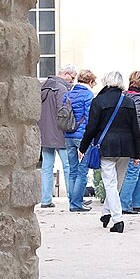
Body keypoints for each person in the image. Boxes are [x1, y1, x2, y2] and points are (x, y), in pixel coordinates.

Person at [77, 70, 140, 232]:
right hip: (126, 147)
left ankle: (118, 220)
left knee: (110, 184)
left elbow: (91, 128)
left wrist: (83, 147)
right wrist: (138, 153)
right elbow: (135, 129)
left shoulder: (99, 101)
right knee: (117, 184)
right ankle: (106, 213)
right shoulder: (128, 102)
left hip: (106, 147)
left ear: (106, 82)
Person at [38, 67, 75, 208]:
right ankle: (73, 199)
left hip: (45, 132)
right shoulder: (61, 88)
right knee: (68, 166)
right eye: (72, 77)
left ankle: (45, 199)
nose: (73, 81)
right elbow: (64, 112)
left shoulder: (43, 86)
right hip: (60, 133)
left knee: (47, 167)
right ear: (65, 74)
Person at [65, 70, 96, 211]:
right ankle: (76, 204)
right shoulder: (88, 95)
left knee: (72, 170)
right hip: (82, 136)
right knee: (82, 171)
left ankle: (72, 201)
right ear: (89, 81)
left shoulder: (68, 93)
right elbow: (90, 118)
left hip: (68, 135)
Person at [118, 74, 140, 213]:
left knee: (139, 171)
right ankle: (125, 204)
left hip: (126, 138)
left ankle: (138, 202)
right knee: (134, 171)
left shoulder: (124, 96)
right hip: (136, 140)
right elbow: (139, 123)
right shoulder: (138, 99)